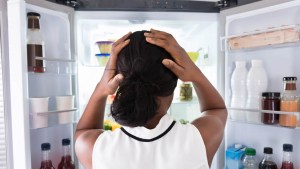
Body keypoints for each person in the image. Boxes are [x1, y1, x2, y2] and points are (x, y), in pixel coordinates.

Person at [75, 29, 227, 169]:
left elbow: (83, 132)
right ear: (174, 81)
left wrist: (101, 88)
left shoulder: (92, 147)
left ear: (118, 80)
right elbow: (216, 109)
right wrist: (195, 74)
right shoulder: (201, 138)